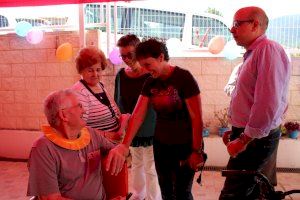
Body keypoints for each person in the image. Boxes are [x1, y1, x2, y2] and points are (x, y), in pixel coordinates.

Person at [108, 38, 205, 200]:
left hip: (185, 145)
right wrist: (125, 145)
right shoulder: (150, 82)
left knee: (182, 192)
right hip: (162, 145)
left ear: (161, 57)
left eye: (148, 64)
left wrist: (196, 151)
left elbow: (197, 118)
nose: (145, 69)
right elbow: (138, 115)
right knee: (166, 191)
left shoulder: (184, 78)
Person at [219, 6, 291, 199]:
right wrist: (237, 127)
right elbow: (250, 98)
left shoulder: (267, 50)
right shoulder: (254, 52)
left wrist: (244, 138)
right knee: (248, 192)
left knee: (232, 194)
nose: (231, 29)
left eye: (237, 24)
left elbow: (267, 103)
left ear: (255, 24)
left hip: (255, 139)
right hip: (250, 134)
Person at [27, 89, 126, 200]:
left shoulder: (90, 134)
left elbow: (121, 151)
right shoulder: (43, 149)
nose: (83, 111)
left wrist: (120, 149)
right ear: (64, 115)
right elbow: (51, 199)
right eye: (79, 106)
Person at [114, 34, 161, 200]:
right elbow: (117, 102)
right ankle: (138, 194)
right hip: (132, 130)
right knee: (136, 164)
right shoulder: (121, 75)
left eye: (130, 55)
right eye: (123, 55)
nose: (126, 59)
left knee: (151, 167)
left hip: (151, 129)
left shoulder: (151, 74)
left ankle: (154, 197)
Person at [72, 47, 129, 143]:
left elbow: (116, 112)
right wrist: (107, 135)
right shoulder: (79, 92)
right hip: (96, 147)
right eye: (90, 70)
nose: (95, 74)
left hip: (113, 143)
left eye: (98, 70)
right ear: (81, 70)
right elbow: (78, 128)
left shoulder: (100, 85)